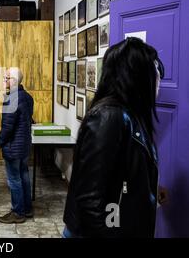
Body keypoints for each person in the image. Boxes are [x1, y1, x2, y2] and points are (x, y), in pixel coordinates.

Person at [63, 37, 169, 238]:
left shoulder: (130, 115)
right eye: (153, 71)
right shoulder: (109, 117)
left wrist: (149, 186)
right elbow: (90, 199)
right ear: (136, 76)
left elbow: (120, 170)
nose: (157, 79)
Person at [0, 68, 34, 224]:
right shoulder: (27, 97)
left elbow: (7, 127)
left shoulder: (11, 99)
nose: (4, 80)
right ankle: (27, 209)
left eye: (6, 78)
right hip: (24, 145)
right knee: (24, 175)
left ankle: (18, 212)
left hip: (13, 147)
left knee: (14, 180)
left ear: (13, 80)